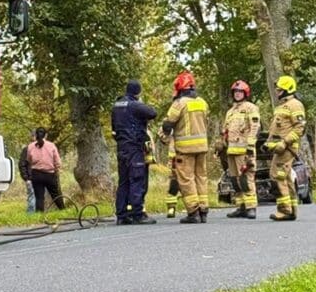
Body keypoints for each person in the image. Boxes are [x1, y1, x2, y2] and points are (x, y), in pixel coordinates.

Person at [160, 71, 210, 224]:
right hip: (202, 147)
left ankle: (193, 211)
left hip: (185, 149)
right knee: (201, 177)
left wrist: (165, 135)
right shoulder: (202, 102)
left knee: (186, 180)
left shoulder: (179, 103)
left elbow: (169, 122)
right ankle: (203, 210)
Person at [111, 80, 158, 225]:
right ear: (137, 92)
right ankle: (138, 214)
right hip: (134, 147)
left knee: (123, 181)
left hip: (121, 147)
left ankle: (122, 215)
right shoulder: (135, 105)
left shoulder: (116, 105)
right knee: (137, 179)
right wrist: (141, 102)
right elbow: (152, 113)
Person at [264, 75, 305, 221]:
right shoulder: (282, 106)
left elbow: (300, 128)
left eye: (279, 89)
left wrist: (285, 142)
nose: (277, 91)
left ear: (287, 89)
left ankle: (284, 210)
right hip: (279, 148)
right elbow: (277, 129)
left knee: (276, 175)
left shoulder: (295, 105)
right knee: (286, 178)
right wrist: (269, 144)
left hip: (287, 148)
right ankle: (292, 209)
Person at [222, 80, 261, 219]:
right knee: (234, 180)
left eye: (240, 92)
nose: (237, 94)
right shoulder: (230, 111)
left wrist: (250, 146)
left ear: (245, 93)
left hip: (245, 151)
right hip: (231, 151)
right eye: (235, 92)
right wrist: (221, 145)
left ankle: (251, 207)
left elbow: (255, 127)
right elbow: (225, 130)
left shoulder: (250, 108)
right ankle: (240, 207)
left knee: (246, 178)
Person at [26, 127, 65, 212]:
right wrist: (56, 169)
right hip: (49, 174)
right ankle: (63, 210)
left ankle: (39, 214)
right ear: (46, 135)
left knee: (39, 197)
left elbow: (29, 160)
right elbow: (57, 162)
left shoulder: (30, 146)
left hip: (36, 174)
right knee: (56, 194)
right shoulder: (51, 146)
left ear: (36, 135)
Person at [17, 131, 35, 213]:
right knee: (32, 198)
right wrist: (26, 178)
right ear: (32, 137)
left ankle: (39, 217)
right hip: (31, 178)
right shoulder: (27, 149)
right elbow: (22, 164)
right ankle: (31, 217)